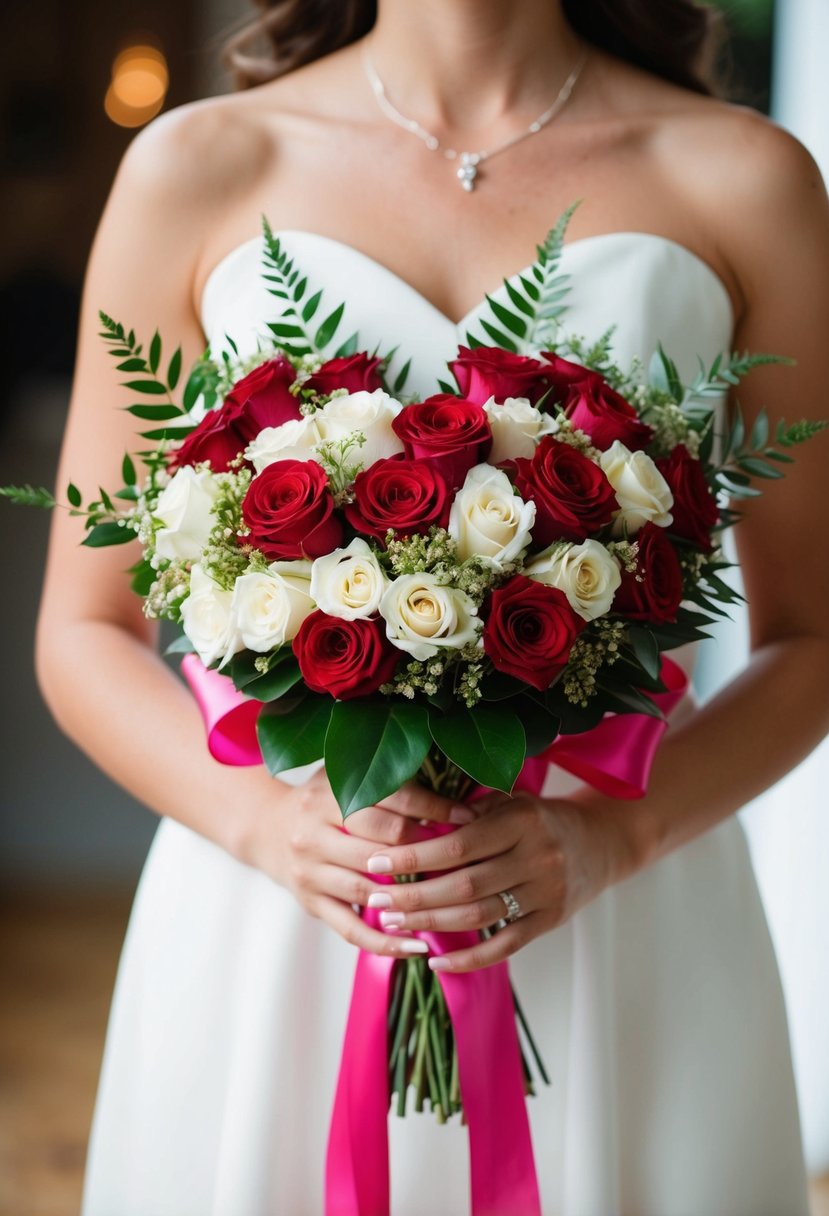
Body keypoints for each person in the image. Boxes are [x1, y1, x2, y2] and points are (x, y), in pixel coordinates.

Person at [37, 0, 829, 1212]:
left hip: (624, 902)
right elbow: (82, 630)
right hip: (285, 912)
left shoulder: (742, 177)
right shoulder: (199, 165)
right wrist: (266, 829)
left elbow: (811, 639)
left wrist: (611, 839)